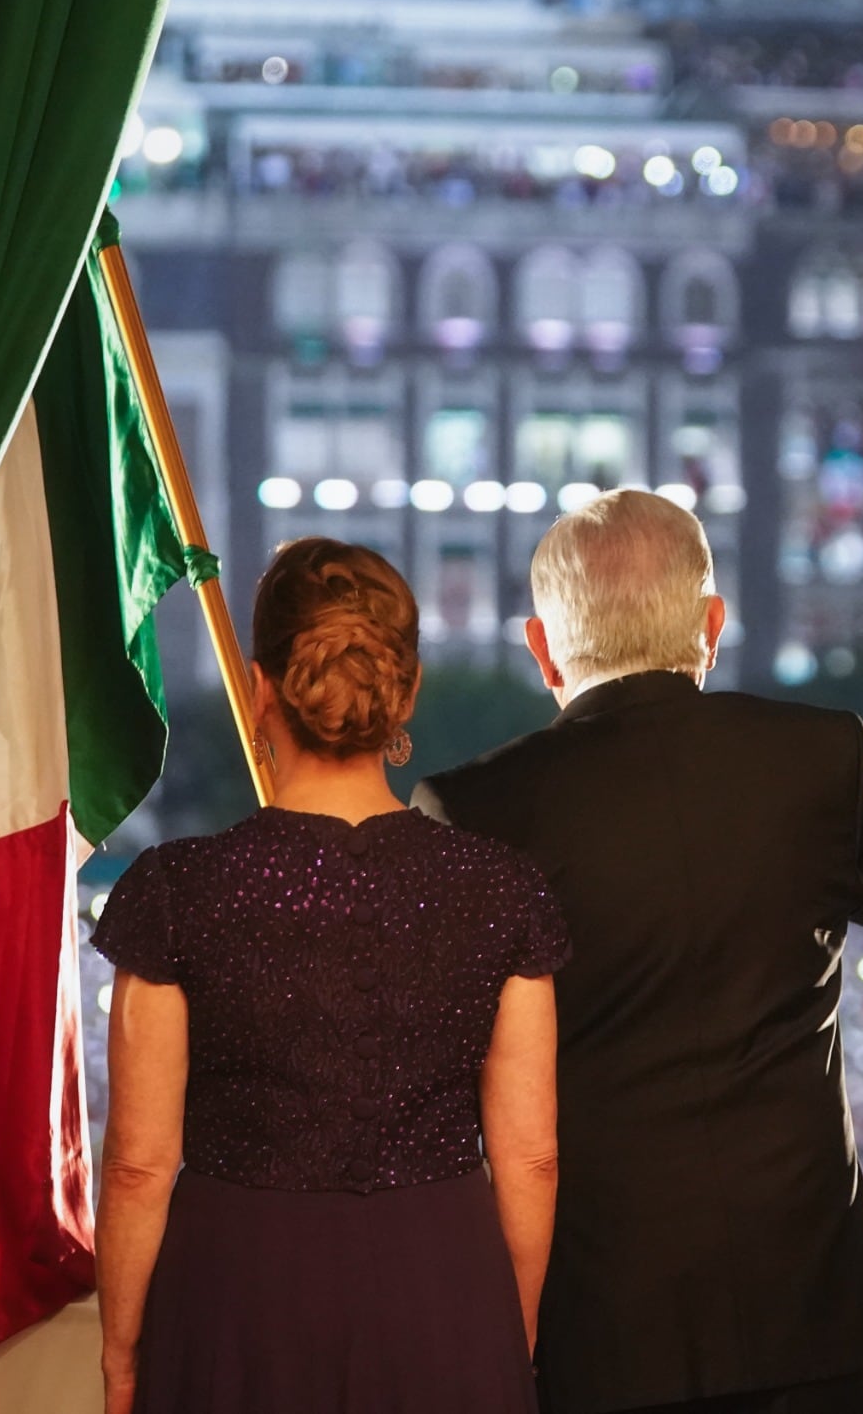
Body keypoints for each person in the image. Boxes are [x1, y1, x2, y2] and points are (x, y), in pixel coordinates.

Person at [415, 489, 863, 1414]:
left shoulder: (471, 810)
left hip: (598, 1322)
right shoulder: (815, 755)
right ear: (713, 624)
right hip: (803, 1312)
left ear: (542, 647)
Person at [92, 539, 569, 1414]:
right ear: (406, 692)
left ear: (259, 687)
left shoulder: (176, 890)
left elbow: (137, 1169)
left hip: (235, 1295)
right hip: (445, 1293)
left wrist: (122, 1360)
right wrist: (512, 1337)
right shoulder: (500, 889)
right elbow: (530, 1159)